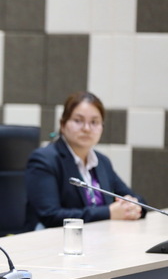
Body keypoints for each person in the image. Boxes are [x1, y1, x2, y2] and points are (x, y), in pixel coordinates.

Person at [25, 91, 145, 229]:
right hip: (57, 239)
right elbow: (51, 216)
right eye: (78, 121)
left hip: (102, 237)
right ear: (63, 124)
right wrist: (108, 213)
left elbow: (137, 199)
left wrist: (133, 206)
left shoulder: (102, 162)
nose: (87, 129)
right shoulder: (44, 160)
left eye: (94, 122)